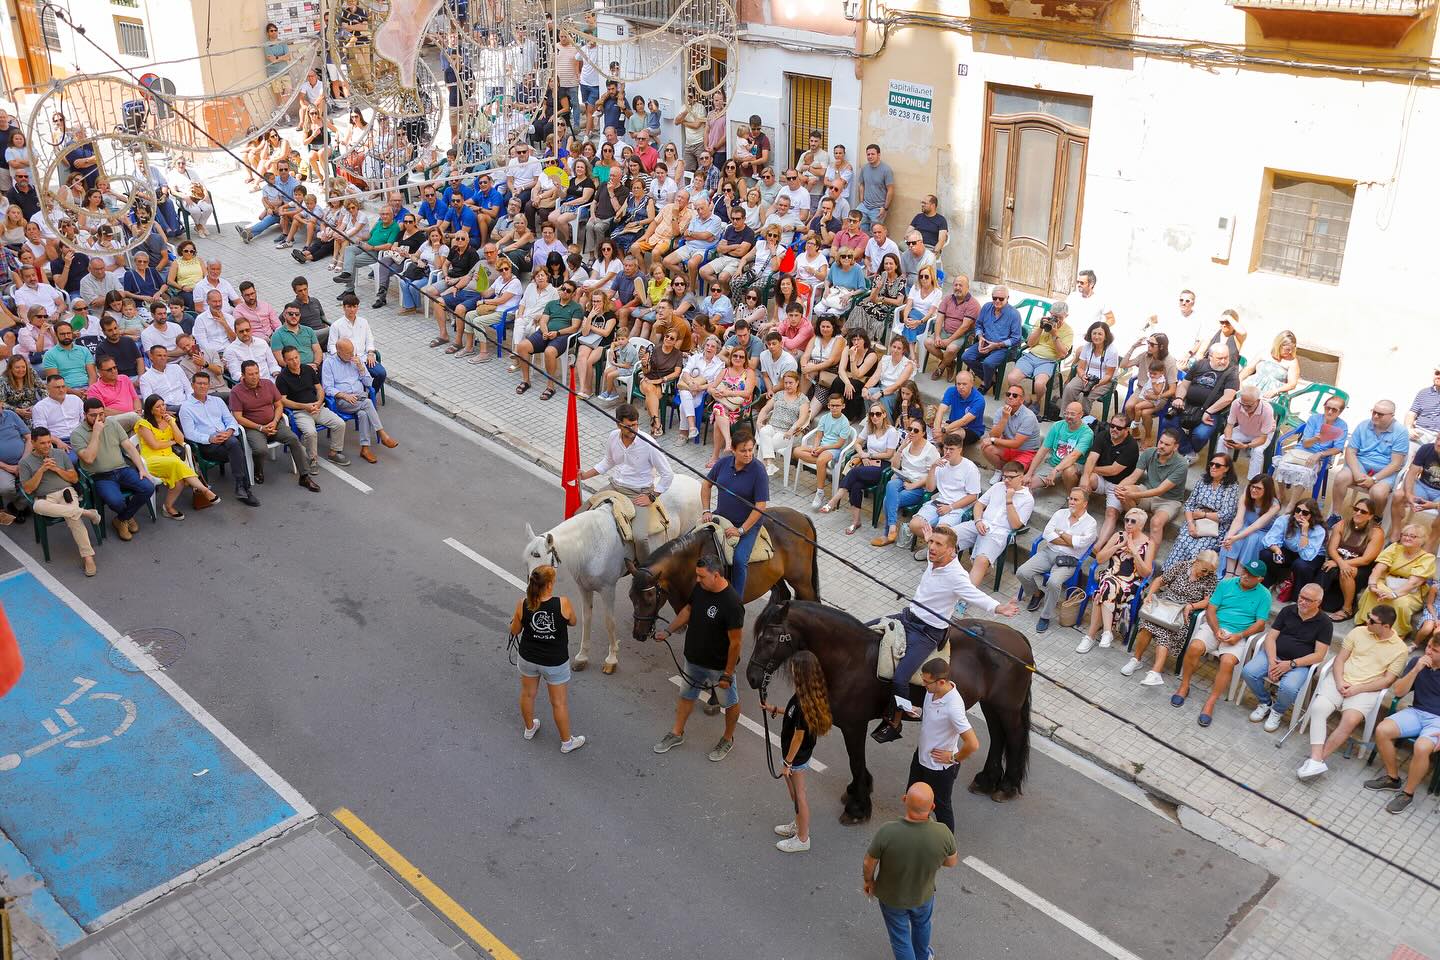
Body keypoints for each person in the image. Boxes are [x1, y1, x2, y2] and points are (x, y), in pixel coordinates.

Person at [872, 524, 1018, 743]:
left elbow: (974, 595)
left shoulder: (957, 576)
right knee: (865, 629)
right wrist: (932, 537)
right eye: (930, 542)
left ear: (952, 550)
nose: (931, 547)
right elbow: (934, 544)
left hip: (927, 633)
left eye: (938, 544)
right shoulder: (935, 559)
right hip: (907, 617)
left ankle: (895, 720)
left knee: (901, 678)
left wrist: (999, 608)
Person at [1297, 604, 1408, 780]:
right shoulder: (1358, 632)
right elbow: (1340, 659)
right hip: (1340, 679)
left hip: (1366, 689)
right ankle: (1316, 760)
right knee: (1318, 708)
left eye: (1372, 621)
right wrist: (1340, 681)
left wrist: (1358, 688)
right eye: (1368, 617)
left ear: (1386, 626)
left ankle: (1316, 760)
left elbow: (1388, 680)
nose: (1367, 621)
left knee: (1349, 721)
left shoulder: (1400, 649)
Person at [652, 555, 745, 762]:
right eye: (697, 575)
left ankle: (728, 739)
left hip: (718, 667)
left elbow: (736, 643)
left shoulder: (732, 603)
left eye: (702, 576)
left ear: (716, 575)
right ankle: (677, 733)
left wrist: (728, 673)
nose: (698, 580)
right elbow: (688, 610)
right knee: (686, 695)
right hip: (693, 660)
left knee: (729, 703)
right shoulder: (701, 588)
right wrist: (668, 631)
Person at [862, 782, 958, 960]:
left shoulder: (887, 832)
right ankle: (923, 956)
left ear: (904, 800)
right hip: (923, 895)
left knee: (900, 939)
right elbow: (951, 862)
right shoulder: (943, 833)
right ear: (932, 807)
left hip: (892, 899)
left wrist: (869, 881)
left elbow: (869, 862)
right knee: (922, 926)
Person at [1176, 559, 1273, 725]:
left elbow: (1260, 624)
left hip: (1238, 634)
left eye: (1251, 575)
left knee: (1228, 662)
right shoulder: (1226, 584)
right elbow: (1211, 609)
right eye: (1245, 571)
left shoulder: (1264, 595)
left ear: (1260, 579)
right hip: (1216, 627)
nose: (1246, 575)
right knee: (1194, 647)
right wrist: (1216, 630)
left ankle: (1211, 702)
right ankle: (1184, 686)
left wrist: (1239, 635)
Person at [509, 565, 585, 754]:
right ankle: (567, 742)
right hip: (555, 661)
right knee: (558, 703)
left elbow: (515, 630)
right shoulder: (563, 603)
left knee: (527, 694)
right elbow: (573, 622)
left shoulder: (522, 603)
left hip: (528, 657)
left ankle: (529, 728)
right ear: (549, 585)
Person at [761, 650, 831, 853]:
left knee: (799, 796)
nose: (790, 670)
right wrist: (774, 709)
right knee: (795, 795)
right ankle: (798, 823)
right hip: (796, 757)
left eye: (793, 668)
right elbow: (792, 712)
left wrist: (787, 764)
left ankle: (802, 838)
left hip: (796, 758)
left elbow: (798, 736)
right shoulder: (804, 693)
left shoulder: (803, 701)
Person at [573, 401, 674, 538]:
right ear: (618, 424)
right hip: (614, 487)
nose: (633, 429)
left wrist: (651, 497)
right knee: (579, 514)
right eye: (628, 426)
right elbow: (608, 461)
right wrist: (585, 475)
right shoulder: (613, 437)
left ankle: (641, 560)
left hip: (638, 493)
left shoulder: (649, 444)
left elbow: (667, 474)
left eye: (635, 425)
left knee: (640, 538)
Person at [1240, 584, 1333, 733]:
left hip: (1299, 664)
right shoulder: (1288, 611)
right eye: (1301, 597)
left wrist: (1291, 664)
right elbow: (1270, 638)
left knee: (1289, 688)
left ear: (1318, 603)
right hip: (1274, 655)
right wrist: (1272, 662)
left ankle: (1278, 710)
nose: (1302, 602)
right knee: (1248, 672)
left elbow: (1319, 655)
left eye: (1308, 600)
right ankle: (1265, 702)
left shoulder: (1325, 623)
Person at [1366, 633, 1440, 814]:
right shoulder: (1417, 662)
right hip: (1417, 711)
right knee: (1383, 729)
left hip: (1438, 721)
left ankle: (1408, 794)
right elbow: (1398, 691)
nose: (1429, 652)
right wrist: (1415, 671)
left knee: (1422, 748)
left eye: (1435, 650)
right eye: (1429, 646)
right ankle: (1393, 778)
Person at [1124, 550, 1219, 684]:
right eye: (1204, 570)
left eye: (1209, 572)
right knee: (1147, 625)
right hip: (1165, 604)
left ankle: (1155, 672)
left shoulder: (1211, 578)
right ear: (1197, 562)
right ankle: (1136, 660)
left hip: (1183, 612)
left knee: (1165, 631)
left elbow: (1207, 601)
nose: (1205, 574)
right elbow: (1159, 580)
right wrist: (1150, 595)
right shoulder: (1182, 566)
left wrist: (1191, 606)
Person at [70, 400, 157, 540]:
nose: (99, 418)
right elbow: (89, 459)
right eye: (93, 415)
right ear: (84, 415)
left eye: (101, 414)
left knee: (148, 487)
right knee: (115, 501)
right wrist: (96, 433)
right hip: (100, 476)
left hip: (122, 469)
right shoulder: (77, 434)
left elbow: (129, 447)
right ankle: (127, 517)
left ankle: (122, 519)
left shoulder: (112, 423)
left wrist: (141, 469)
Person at [18, 427, 100, 574]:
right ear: (33, 442)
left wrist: (56, 469)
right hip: (45, 498)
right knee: (38, 507)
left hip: (65, 493)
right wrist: (41, 470)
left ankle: (88, 558)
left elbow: (74, 478)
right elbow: (28, 489)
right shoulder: (25, 463)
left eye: (49, 442)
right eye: (42, 443)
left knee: (73, 520)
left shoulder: (60, 454)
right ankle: (86, 512)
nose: (47, 446)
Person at [228, 359, 318, 492]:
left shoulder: (268, 384)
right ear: (243, 375)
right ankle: (258, 470)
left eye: (257, 373)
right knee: (260, 450)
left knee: (293, 439)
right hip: (254, 427)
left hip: (274, 423)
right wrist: (260, 427)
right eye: (251, 374)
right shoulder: (236, 391)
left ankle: (304, 476)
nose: (255, 377)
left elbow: (279, 404)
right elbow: (238, 417)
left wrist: (275, 421)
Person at [700, 428, 768, 600]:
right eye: (743, 450)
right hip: (721, 517)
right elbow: (706, 485)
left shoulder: (759, 471)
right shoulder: (723, 463)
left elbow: (760, 506)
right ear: (733, 450)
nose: (748, 454)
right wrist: (706, 510)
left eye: (751, 450)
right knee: (693, 540)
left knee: (739, 560)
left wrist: (741, 530)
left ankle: (735, 601)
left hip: (746, 525)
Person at [1018, 487, 1098, 632]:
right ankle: (1037, 594)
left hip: (1068, 559)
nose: (1071, 502)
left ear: (1084, 503)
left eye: (1076, 499)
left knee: (1053, 583)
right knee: (1022, 572)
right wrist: (1070, 541)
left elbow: (1080, 544)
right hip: (1049, 552)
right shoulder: (1060, 513)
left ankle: (1045, 616)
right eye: (1070, 498)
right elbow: (1048, 534)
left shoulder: (1091, 523)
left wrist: (1060, 533)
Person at [1080, 507, 1157, 654]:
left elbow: (1146, 572)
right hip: (1110, 575)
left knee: (1101, 592)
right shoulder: (1118, 536)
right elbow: (1100, 558)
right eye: (1126, 520)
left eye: (1132, 521)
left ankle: (1090, 636)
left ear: (1141, 525)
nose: (1128, 523)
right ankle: (1107, 632)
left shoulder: (1149, 544)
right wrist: (1118, 546)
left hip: (1129, 584)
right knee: (1108, 583)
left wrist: (1135, 553)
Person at [181, 371, 260, 506]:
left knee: (233, 442)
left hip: (226, 439)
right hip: (207, 446)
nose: (202, 386)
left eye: (205, 384)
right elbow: (189, 433)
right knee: (236, 447)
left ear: (209, 385)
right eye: (199, 383)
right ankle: (243, 487)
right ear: (192, 385)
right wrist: (209, 438)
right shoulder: (186, 408)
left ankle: (242, 487)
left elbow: (230, 420)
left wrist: (229, 431)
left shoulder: (217, 401)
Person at [134, 394, 218, 519]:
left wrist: (172, 424)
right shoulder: (144, 424)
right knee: (178, 464)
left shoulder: (169, 420)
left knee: (179, 479)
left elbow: (180, 439)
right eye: (158, 407)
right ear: (151, 410)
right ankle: (204, 490)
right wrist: (171, 442)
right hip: (151, 460)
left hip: (169, 457)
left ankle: (167, 507)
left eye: (163, 404)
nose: (162, 408)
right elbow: (155, 445)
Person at [1109, 428, 1188, 554]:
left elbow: (1160, 490)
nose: (1161, 446)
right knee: (1123, 492)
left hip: (1169, 500)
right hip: (1147, 490)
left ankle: (1149, 557)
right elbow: (1134, 477)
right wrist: (1120, 487)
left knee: (1156, 522)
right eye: (1161, 442)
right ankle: (1134, 528)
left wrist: (1133, 494)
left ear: (1175, 447)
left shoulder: (1182, 464)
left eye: (1167, 444)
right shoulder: (1149, 453)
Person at [905, 432, 982, 560]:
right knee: (914, 524)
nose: (947, 452)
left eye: (951, 449)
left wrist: (950, 507)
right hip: (938, 502)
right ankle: (933, 548)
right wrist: (933, 468)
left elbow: (973, 496)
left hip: (956, 507)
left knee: (942, 533)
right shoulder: (941, 464)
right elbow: (929, 488)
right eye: (946, 448)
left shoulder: (970, 468)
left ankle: (935, 552)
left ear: (960, 449)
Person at [1333, 398, 1409, 524]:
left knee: (1378, 493)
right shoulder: (1364, 425)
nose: (1375, 416)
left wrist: (1374, 479)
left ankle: (1376, 518)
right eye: (1374, 412)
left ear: (1392, 416)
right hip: (1361, 464)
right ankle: (1335, 515)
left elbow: (1396, 464)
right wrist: (1357, 473)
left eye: (1380, 414)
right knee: (1341, 477)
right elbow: (1351, 451)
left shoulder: (1400, 432)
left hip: (1385, 470)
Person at [1164, 451, 1240, 575]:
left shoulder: (1231, 487)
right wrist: (1190, 524)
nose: (1213, 467)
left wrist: (1204, 515)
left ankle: (1187, 582)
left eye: (1218, 465)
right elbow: (1189, 504)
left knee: (1199, 549)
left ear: (1226, 469)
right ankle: (1168, 577)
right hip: (1195, 521)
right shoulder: (1203, 481)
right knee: (1182, 543)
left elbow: (1227, 514)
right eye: (1212, 464)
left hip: (1215, 527)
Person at [1354, 524, 1435, 637]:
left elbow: (1414, 583)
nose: (1407, 538)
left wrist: (1394, 594)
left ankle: (1396, 632)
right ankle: (1367, 622)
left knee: (1401, 603)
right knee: (1371, 591)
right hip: (1388, 582)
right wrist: (1372, 584)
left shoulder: (1427, 558)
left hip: (1409, 591)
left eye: (1413, 536)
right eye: (1405, 535)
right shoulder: (1394, 548)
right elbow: (1378, 568)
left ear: (1422, 540)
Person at [276, 344, 349, 470]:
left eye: (296, 357)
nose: (295, 361)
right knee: (310, 432)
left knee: (340, 423)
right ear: (285, 361)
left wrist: (319, 402)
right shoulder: (282, 378)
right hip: (300, 412)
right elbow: (283, 401)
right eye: (290, 359)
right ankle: (312, 459)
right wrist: (305, 406)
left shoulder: (308, 370)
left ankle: (334, 452)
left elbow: (319, 389)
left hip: (317, 407)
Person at [322, 340, 395, 463]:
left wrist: (361, 368)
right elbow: (328, 388)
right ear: (339, 352)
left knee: (363, 413)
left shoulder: (356, 360)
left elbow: (369, 383)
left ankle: (365, 449)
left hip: (359, 397)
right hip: (343, 400)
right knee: (368, 403)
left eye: (352, 352)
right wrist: (344, 395)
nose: (351, 355)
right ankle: (382, 434)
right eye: (348, 353)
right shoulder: (329, 363)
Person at [1273, 395, 1348, 510]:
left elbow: (1338, 448)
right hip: (1302, 450)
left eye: (1334, 410)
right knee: (1281, 465)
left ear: (1340, 412)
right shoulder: (1314, 419)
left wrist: (1320, 454)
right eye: (1328, 408)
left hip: (1322, 456)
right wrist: (1316, 438)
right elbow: (1305, 444)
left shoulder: (1342, 426)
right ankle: (1281, 494)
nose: (1330, 411)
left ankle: (1292, 503)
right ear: (1324, 407)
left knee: (1305, 472)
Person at [872, 420, 940, 548]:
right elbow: (894, 466)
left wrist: (914, 485)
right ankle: (892, 526)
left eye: (916, 430)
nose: (912, 432)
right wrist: (901, 449)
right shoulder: (907, 445)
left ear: (923, 433)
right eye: (910, 429)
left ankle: (888, 533)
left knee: (887, 499)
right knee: (891, 485)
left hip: (918, 486)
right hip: (902, 479)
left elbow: (932, 475)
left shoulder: (930, 450)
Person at [1317, 497, 1386, 621]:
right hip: (1339, 560)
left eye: (1363, 512)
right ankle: (1316, 601)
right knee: (1327, 566)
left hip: (1361, 567)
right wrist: (1339, 562)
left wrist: (1342, 564)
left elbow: (1366, 560)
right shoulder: (1342, 524)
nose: (1358, 513)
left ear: (1370, 516)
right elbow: (1332, 549)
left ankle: (1347, 609)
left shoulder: (1376, 532)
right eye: (1356, 509)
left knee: (1346, 572)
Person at [1167, 344, 1239, 457]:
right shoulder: (1200, 364)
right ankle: (1189, 450)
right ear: (1210, 356)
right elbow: (1183, 385)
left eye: (1226, 357)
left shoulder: (1232, 372)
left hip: (1212, 411)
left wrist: (1208, 411)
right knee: (1168, 421)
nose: (1224, 361)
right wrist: (1179, 398)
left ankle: (1187, 450)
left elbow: (1228, 398)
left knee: (1200, 434)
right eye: (1220, 358)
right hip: (1188, 405)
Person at [1007, 301, 1073, 413]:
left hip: (1048, 361)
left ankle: (1037, 402)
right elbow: (1030, 343)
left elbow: (1063, 354)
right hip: (1031, 356)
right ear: (1050, 313)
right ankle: (1026, 398)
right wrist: (1040, 328)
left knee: (1039, 384)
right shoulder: (1041, 321)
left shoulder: (1068, 331)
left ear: (1066, 316)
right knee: (1012, 378)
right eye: (1053, 316)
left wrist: (1054, 335)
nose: (1055, 319)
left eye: (1059, 317)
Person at [794, 393, 852, 509]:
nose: (834, 408)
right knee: (796, 450)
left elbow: (839, 444)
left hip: (834, 450)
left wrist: (823, 448)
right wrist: (816, 447)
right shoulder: (825, 418)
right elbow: (818, 436)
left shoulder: (845, 422)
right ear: (828, 406)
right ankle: (822, 462)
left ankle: (820, 492)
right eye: (832, 405)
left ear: (843, 406)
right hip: (822, 447)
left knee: (821, 460)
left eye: (837, 405)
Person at [1219, 475, 1283, 576]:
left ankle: (1239, 573)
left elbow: (1257, 525)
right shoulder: (1246, 496)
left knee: (1251, 538)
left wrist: (1235, 538)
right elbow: (1238, 519)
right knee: (1233, 534)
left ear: (1267, 490)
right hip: (1245, 525)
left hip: (1262, 532)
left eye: (1258, 488)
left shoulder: (1274, 505)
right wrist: (1230, 537)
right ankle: (1228, 572)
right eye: (1252, 486)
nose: (1253, 490)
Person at [961, 286, 1022, 392]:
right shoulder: (986, 307)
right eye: (995, 298)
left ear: (1008, 298)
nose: (997, 301)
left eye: (1001, 299)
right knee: (966, 356)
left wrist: (998, 345)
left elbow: (1016, 338)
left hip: (1002, 348)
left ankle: (986, 383)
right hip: (985, 342)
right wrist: (980, 337)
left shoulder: (1014, 314)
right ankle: (992, 376)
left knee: (988, 363)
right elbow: (978, 325)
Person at [1024, 401, 1093, 493]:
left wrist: (1056, 470)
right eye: (1066, 413)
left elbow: (1074, 456)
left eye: (1072, 414)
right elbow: (1043, 449)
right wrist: (1029, 473)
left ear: (1081, 415)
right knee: (1027, 485)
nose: (1068, 416)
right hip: (1053, 463)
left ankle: (1071, 495)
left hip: (1075, 464)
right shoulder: (1057, 426)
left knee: (1068, 471)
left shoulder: (1087, 433)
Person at [1261, 499, 1326, 592]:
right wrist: (1276, 549)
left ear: (1312, 515)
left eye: (1305, 513)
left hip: (1312, 557)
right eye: (1298, 510)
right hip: (1290, 551)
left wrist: (1304, 532)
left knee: (1300, 565)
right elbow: (1269, 539)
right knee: (1266, 554)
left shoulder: (1318, 530)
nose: (1300, 514)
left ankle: (1297, 594)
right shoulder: (1285, 519)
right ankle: (1274, 580)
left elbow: (1306, 556)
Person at [977, 382, 1040, 473]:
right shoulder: (1001, 411)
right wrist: (1004, 418)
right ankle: (1000, 470)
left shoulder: (1028, 416)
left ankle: (1008, 472)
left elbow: (1016, 444)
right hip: (1008, 448)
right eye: (1008, 394)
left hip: (1026, 451)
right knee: (986, 447)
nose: (1010, 397)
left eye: (1015, 395)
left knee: (1013, 472)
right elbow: (993, 435)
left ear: (1021, 400)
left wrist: (993, 440)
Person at [1393, 434, 1440, 552]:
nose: (1438, 443)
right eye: (1439, 439)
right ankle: (1396, 533)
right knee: (1398, 495)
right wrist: (1409, 494)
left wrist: (1434, 505)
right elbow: (1411, 473)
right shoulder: (1426, 449)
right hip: (1422, 486)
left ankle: (1429, 547)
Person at [1219, 385, 1276, 480]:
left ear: (1258, 400)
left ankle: (1253, 480)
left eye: (1249, 405)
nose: (1245, 407)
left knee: (1257, 451)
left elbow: (1263, 438)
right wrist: (1228, 438)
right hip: (1243, 430)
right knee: (1222, 439)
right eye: (1243, 404)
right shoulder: (1236, 403)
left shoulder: (1267, 409)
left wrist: (1246, 446)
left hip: (1261, 435)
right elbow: (1229, 425)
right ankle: (1220, 469)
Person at [930, 368, 985, 447]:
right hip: (953, 423)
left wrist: (943, 430)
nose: (961, 387)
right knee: (934, 428)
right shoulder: (951, 391)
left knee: (954, 436)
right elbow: (941, 411)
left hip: (972, 429)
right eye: (958, 384)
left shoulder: (979, 400)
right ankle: (940, 454)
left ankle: (954, 458)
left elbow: (964, 421)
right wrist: (937, 429)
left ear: (972, 384)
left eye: (964, 384)